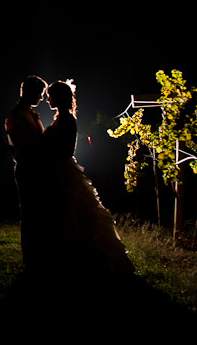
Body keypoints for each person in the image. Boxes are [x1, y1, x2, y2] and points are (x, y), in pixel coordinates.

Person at [41, 79, 134, 277]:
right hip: (58, 169)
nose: (47, 98)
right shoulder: (63, 118)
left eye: (50, 95)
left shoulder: (66, 120)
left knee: (72, 215)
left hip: (62, 171)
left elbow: (66, 149)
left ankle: (81, 260)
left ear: (58, 97)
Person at [4, 75, 47, 271]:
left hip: (38, 168)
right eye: (40, 94)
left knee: (39, 215)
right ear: (29, 92)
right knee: (30, 214)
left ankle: (38, 256)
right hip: (28, 169)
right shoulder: (15, 116)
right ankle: (30, 259)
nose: (42, 98)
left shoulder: (31, 114)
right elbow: (20, 145)